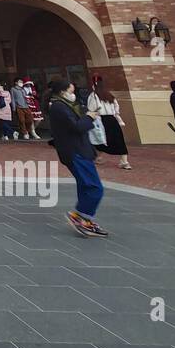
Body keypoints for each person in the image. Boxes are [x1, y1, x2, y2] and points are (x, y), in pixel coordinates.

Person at [46, 77, 108, 237]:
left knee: (85, 185)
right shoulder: (59, 107)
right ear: (62, 92)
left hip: (78, 150)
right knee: (95, 187)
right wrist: (89, 117)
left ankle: (83, 217)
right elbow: (76, 127)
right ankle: (81, 216)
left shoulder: (63, 105)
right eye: (71, 91)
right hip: (75, 151)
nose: (73, 94)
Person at [86, 74, 131, 170]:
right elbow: (116, 107)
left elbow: (92, 108)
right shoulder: (109, 95)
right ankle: (125, 161)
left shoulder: (94, 95)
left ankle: (97, 157)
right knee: (118, 140)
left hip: (101, 119)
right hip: (112, 119)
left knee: (101, 139)